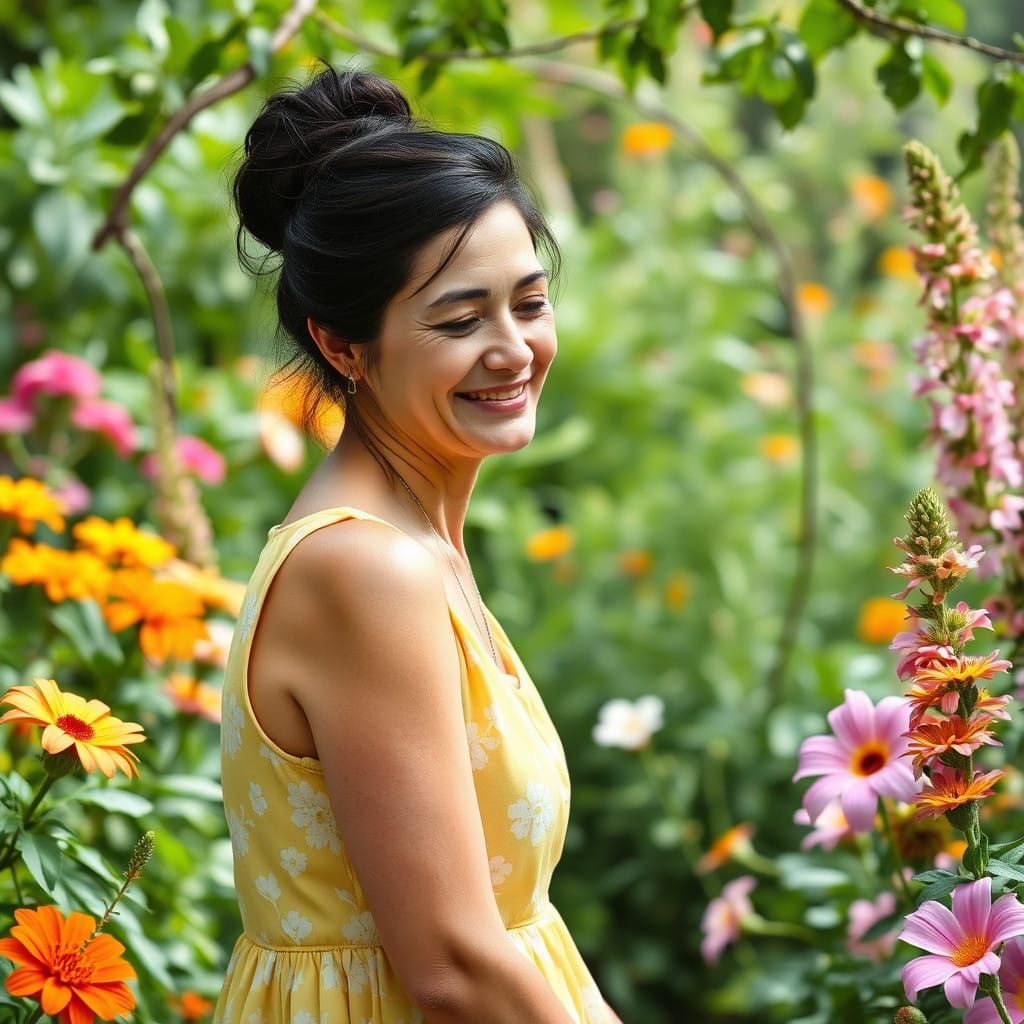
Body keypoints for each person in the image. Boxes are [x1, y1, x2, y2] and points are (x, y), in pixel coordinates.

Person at [213, 61, 624, 1024]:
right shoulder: (367, 569)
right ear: (345, 346)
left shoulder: (407, 541)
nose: (515, 350)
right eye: (459, 319)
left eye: (529, 302)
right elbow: (450, 966)